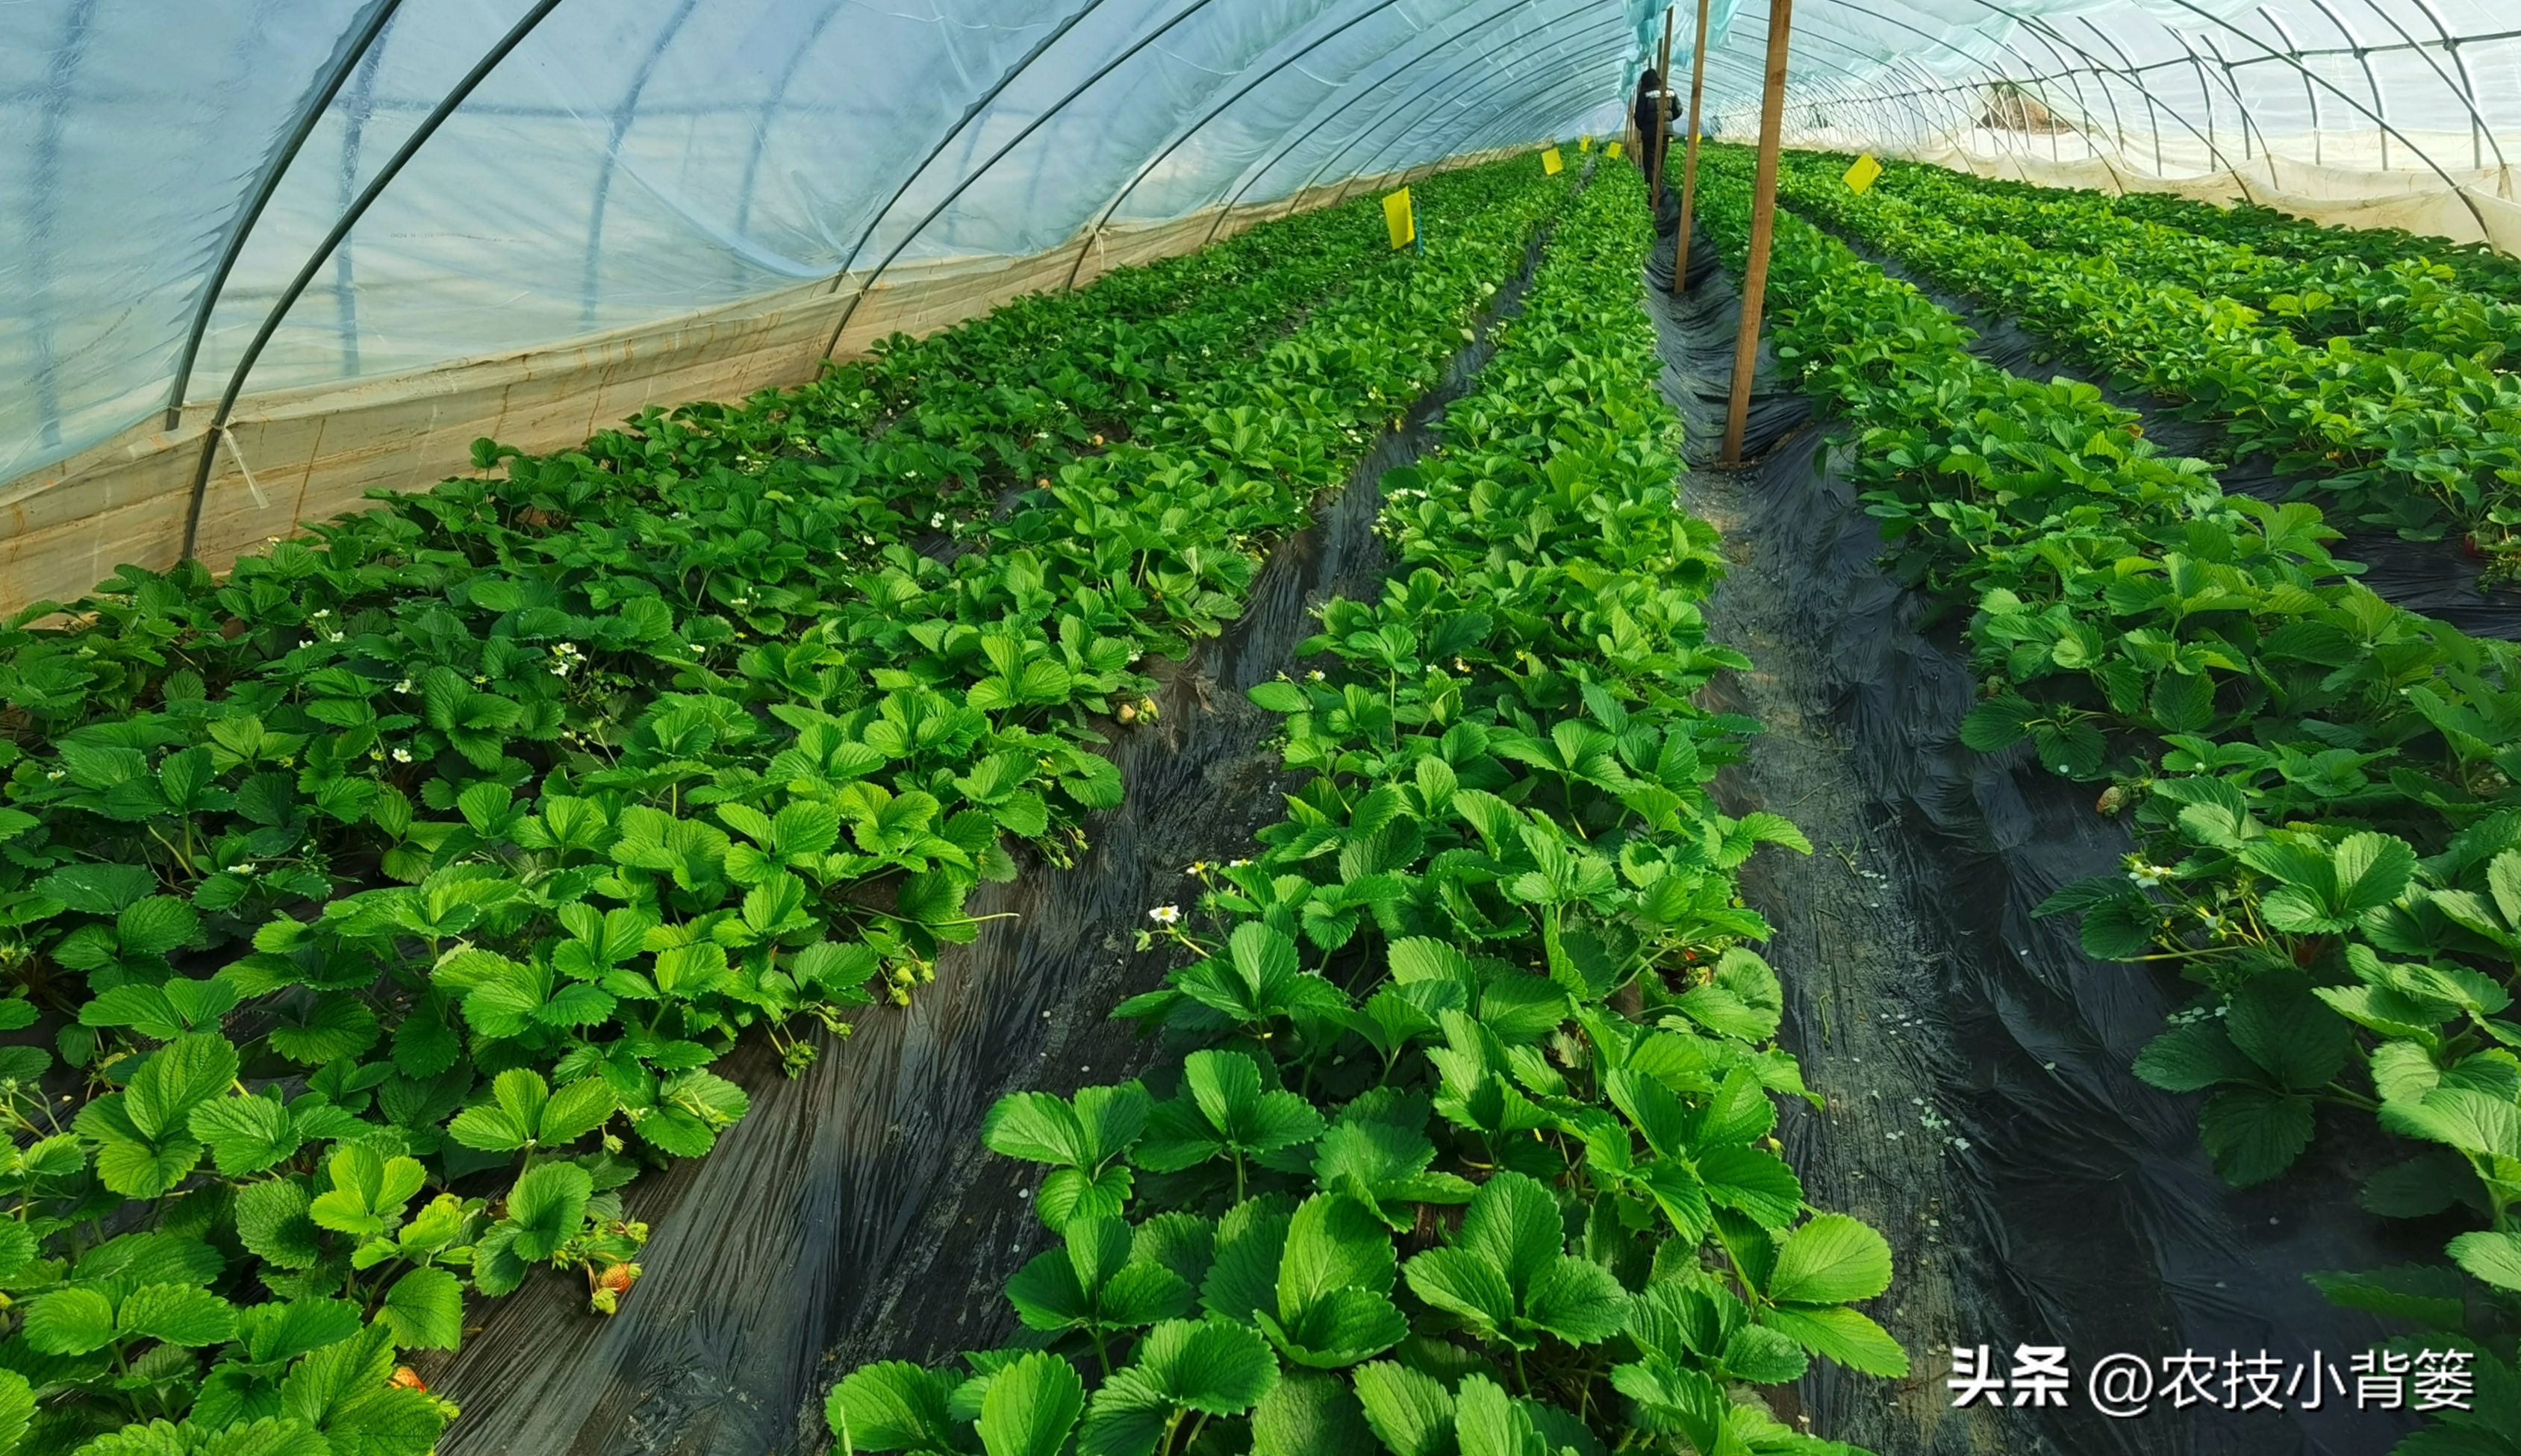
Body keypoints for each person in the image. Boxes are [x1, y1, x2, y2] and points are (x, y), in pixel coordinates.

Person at [1632, 68, 1667, 172]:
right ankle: (1657, 185)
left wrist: (1644, 128)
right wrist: (1667, 121)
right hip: (1666, 132)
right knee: (1660, 162)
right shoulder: (1669, 92)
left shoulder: (1644, 94)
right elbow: (1678, 111)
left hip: (1650, 134)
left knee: (1650, 163)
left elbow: (1639, 116)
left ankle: (1651, 187)